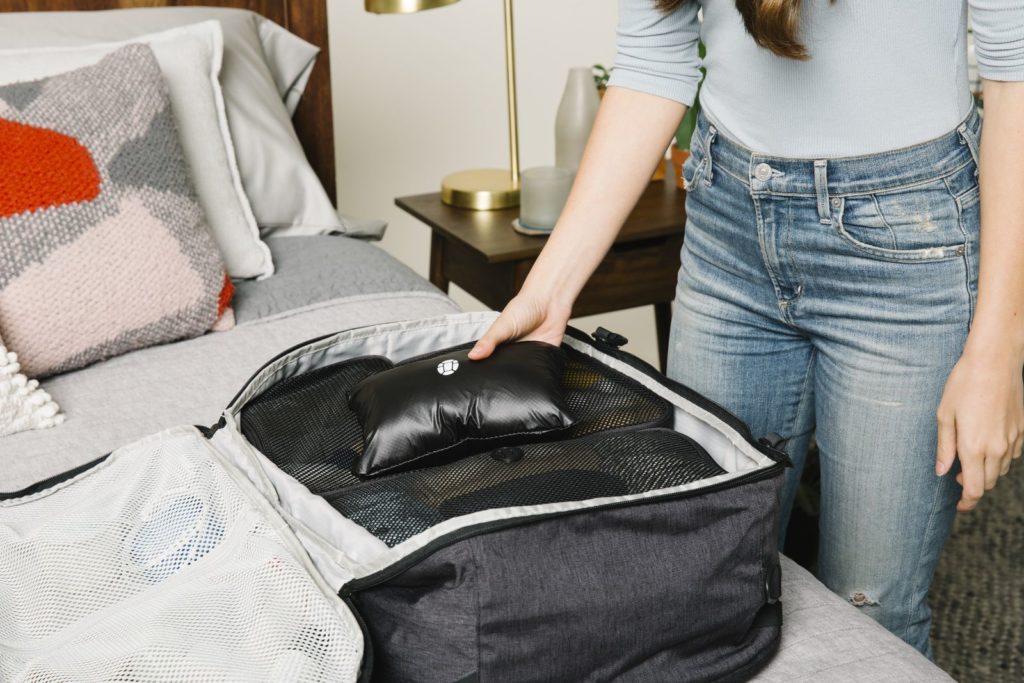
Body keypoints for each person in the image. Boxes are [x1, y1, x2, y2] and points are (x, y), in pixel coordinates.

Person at [468, 0, 1024, 658]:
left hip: (909, 242)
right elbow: (653, 61)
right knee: (704, 587)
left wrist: (998, 349)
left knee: (871, 616)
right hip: (728, 233)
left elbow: (1016, 71)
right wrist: (548, 291)